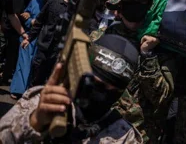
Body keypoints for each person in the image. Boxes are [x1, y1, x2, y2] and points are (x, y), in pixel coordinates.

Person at [0, 34, 143, 143]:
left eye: (113, 91)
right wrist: (35, 122)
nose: (103, 95)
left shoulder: (124, 135)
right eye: (97, 84)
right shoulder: (46, 102)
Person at [91, 0, 175, 143]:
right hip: (96, 130)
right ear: (120, 7)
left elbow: (161, 97)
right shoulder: (99, 38)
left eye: (142, 2)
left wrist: (147, 55)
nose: (136, 7)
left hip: (138, 135)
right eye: (131, 1)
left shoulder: (163, 49)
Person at [22, 0, 84, 87]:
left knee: (50, 79)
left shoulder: (77, 11)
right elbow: (40, 21)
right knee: (36, 76)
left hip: (59, 51)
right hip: (44, 46)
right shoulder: (53, 2)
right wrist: (29, 38)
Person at [10, 0, 57, 98]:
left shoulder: (56, 5)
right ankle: (17, 89)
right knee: (23, 64)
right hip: (29, 37)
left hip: (44, 41)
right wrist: (30, 21)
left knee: (35, 67)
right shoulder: (35, 1)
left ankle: (29, 91)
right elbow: (25, 16)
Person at [2, 0, 33, 84]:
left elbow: (30, 10)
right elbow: (9, 12)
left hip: (18, 29)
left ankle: (5, 78)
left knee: (11, 55)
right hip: (5, 26)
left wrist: (28, 14)